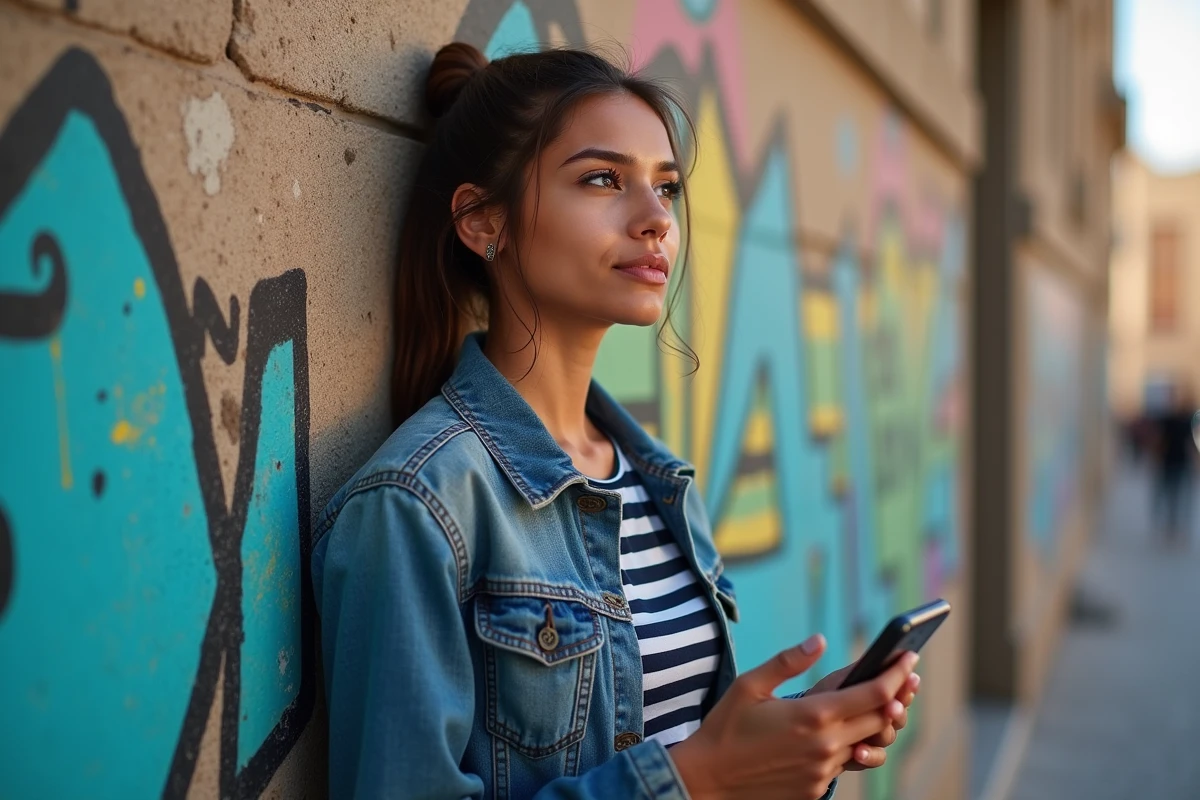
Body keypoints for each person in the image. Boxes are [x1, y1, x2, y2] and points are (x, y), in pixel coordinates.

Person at [311, 42, 921, 800]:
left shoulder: (658, 481)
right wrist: (699, 780)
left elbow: (673, 746)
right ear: (480, 221)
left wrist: (791, 747)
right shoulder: (416, 506)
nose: (655, 220)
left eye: (665, 187)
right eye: (603, 180)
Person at [1149, 383, 1197, 545]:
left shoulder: (1187, 420)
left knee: (1179, 497)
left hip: (1181, 463)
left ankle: (1177, 529)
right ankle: (1170, 528)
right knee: (1169, 496)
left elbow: (1192, 443)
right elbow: (1158, 440)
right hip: (1168, 463)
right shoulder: (1167, 419)